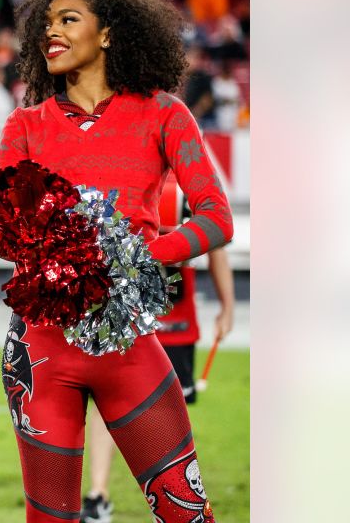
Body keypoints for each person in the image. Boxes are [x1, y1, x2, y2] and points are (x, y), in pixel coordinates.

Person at [0, 0, 233, 522]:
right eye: (45, 24)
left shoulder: (164, 114)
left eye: (68, 19)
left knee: (188, 514)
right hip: (41, 348)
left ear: (105, 34)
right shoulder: (24, 126)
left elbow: (216, 218)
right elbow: (10, 235)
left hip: (129, 344)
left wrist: (141, 258)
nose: (51, 31)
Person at [81, 191, 236, 523]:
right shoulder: (125, 175)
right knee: (106, 398)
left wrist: (227, 306)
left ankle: (177, 499)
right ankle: (98, 495)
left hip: (174, 320)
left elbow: (216, 246)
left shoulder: (186, 188)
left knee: (170, 414)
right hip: (126, 315)